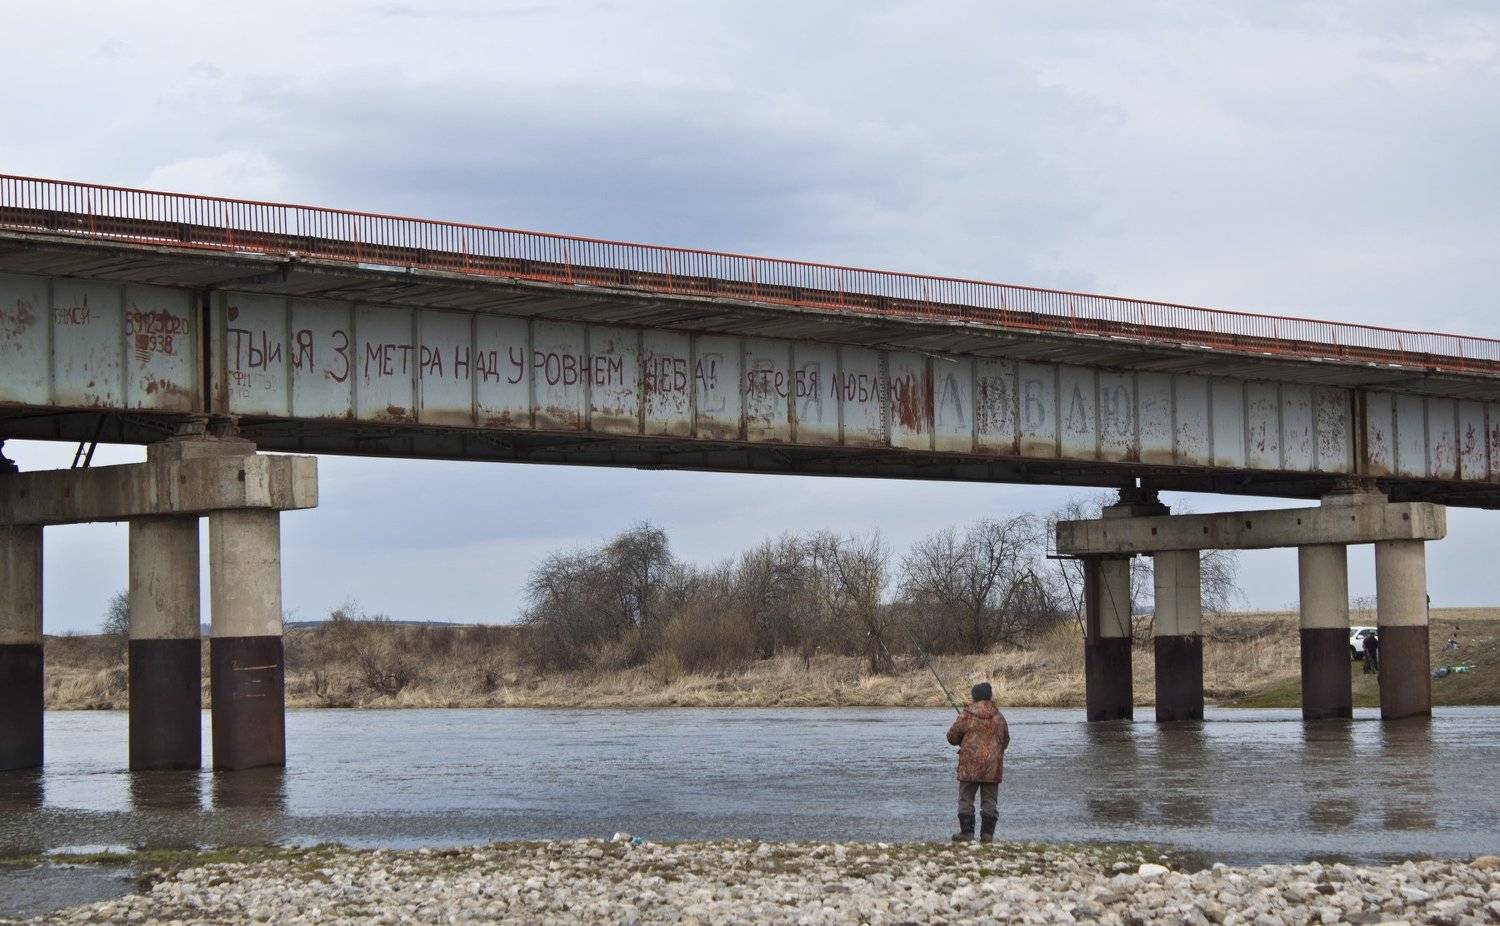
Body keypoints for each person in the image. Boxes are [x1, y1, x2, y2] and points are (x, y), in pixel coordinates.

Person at [946, 682, 1010, 843]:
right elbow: (1005, 740)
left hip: (970, 765)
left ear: (974, 696)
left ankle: (967, 834)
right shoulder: (999, 716)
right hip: (992, 766)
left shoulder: (966, 715)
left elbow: (952, 738)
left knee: (966, 799)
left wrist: (964, 739)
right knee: (990, 801)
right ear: (990, 696)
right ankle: (987, 835)